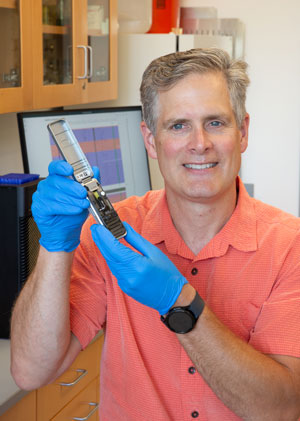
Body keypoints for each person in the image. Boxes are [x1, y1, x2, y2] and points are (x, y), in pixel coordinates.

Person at [10, 48, 300, 420]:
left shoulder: (290, 247)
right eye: (178, 125)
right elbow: (31, 370)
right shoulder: (111, 233)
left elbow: (281, 409)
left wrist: (181, 304)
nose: (199, 143)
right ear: (150, 140)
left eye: (215, 122)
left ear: (242, 132)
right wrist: (54, 247)